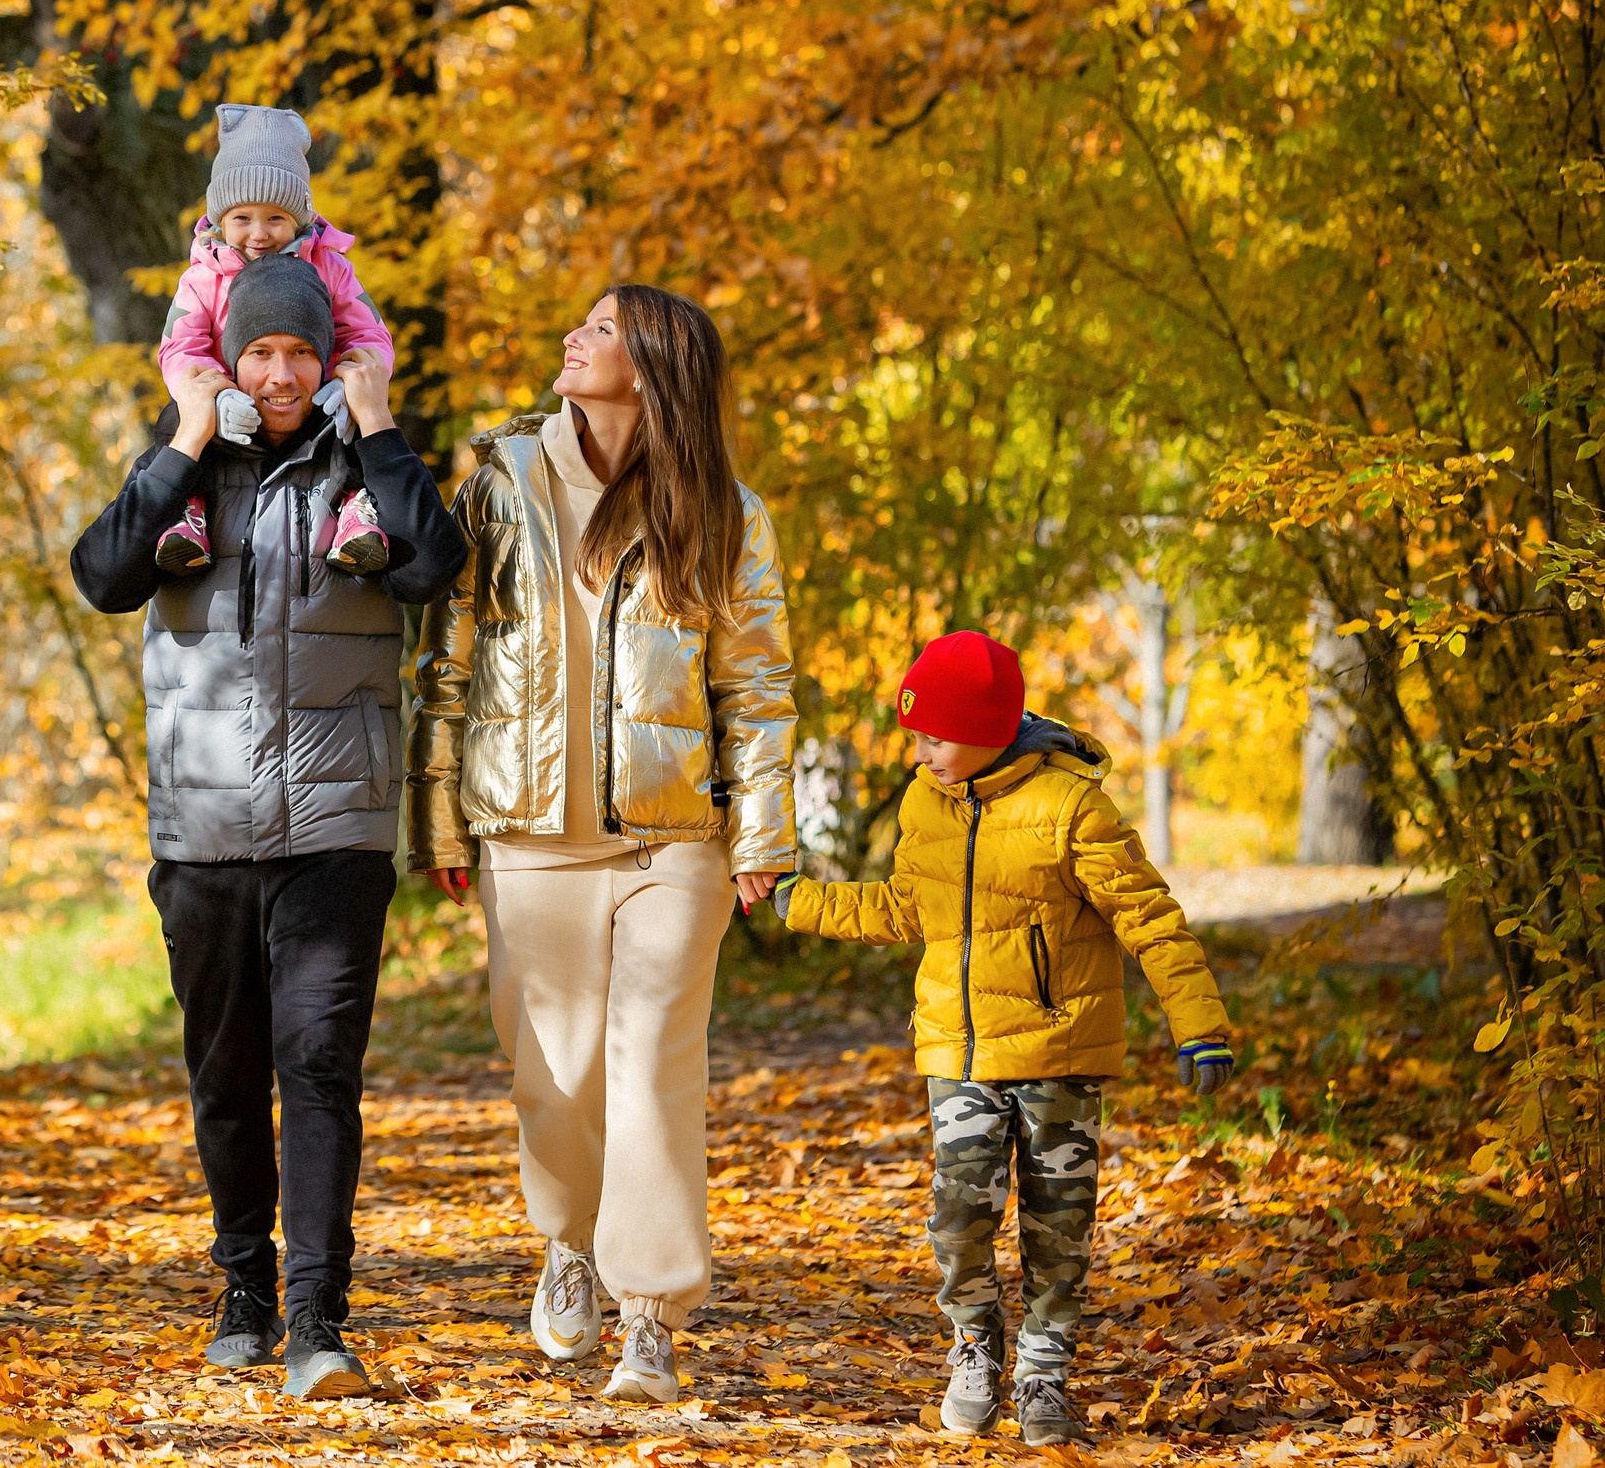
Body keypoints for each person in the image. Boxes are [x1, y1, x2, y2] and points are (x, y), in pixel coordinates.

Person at [70, 254, 467, 1401]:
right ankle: (241, 1287)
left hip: (335, 827)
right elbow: (101, 576)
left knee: (321, 1067)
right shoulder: (186, 471)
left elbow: (434, 568)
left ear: (328, 357)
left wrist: (380, 424)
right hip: (199, 833)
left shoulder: (362, 467)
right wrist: (186, 435)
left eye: (303, 351)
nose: (283, 373)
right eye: (260, 353)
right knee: (226, 1077)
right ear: (229, 360)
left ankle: (315, 1318)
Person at [408, 284, 798, 1405]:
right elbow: (446, 665)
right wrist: (436, 818)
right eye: (576, 325)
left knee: (654, 1067)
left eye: (601, 330)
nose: (572, 340)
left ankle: (650, 1312)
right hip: (528, 839)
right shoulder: (498, 485)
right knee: (557, 1080)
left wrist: (762, 830)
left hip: (674, 841)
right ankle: (568, 1242)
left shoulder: (724, 511)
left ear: (655, 365)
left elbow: (758, 686)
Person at [770, 630, 1236, 1444]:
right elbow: (903, 906)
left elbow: (1149, 919)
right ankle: (975, 1347)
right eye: (914, 735)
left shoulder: (1073, 808)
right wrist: (798, 902)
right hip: (959, 1051)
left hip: (1059, 1052)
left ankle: (1046, 1369)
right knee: (960, 1211)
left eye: (933, 736)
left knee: (1058, 1223)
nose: (918, 753)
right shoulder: (927, 802)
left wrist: (1198, 1022)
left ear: (988, 730)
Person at [153, 102, 397, 577]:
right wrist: (212, 396)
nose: (259, 234)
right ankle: (190, 512)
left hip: (307, 401)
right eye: (242, 218)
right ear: (220, 219)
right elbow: (180, 346)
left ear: (300, 220)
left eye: (276, 219)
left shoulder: (327, 266)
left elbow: (366, 331)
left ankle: (355, 512)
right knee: (175, 422)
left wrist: (351, 385)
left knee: (351, 437)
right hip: (234, 406)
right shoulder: (203, 277)